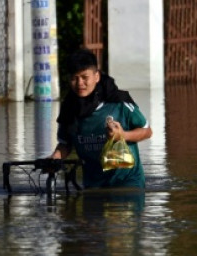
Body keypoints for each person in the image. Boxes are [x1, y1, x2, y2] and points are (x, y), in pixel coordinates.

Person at [50, 48, 152, 189]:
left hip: (128, 183)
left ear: (96, 76)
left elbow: (147, 131)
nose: (80, 83)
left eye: (85, 77)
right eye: (74, 78)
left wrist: (123, 135)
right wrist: (54, 159)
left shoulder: (119, 102)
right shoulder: (68, 109)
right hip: (92, 185)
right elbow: (65, 144)